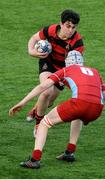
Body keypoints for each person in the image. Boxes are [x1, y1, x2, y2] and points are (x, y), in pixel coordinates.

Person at [9, 51, 105, 169]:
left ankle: (35, 160)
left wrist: (22, 102)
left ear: (67, 62)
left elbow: (43, 86)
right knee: (78, 116)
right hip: (97, 109)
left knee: (44, 123)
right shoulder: (95, 72)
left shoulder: (66, 69)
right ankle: (69, 152)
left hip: (80, 103)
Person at [26, 9, 84, 157]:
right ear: (61, 23)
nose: (70, 30)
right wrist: (32, 52)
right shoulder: (50, 30)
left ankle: (36, 110)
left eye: (73, 27)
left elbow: (76, 65)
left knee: (50, 99)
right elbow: (33, 39)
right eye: (68, 25)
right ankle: (39, 123)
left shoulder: (77, 42)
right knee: (46, 91)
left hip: (64, 70)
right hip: (48, 63)